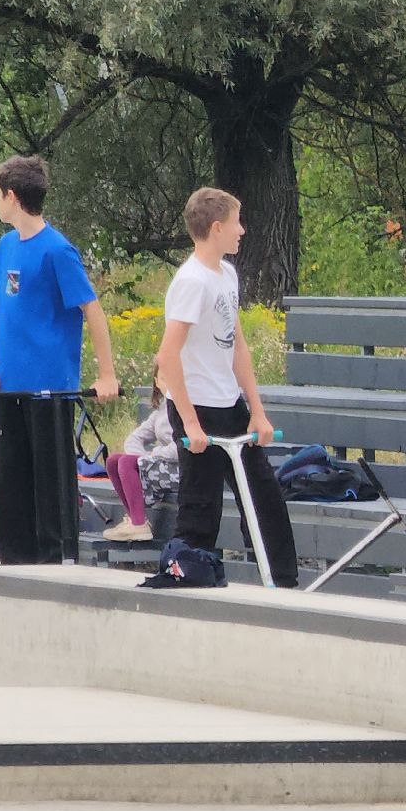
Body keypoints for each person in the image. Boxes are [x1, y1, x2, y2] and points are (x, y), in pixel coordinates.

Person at [0, 154, 120, 565]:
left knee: (49, 484)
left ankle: (56, 561)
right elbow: (1, 313)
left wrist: (106, 373)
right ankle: (15, 560)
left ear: (13, 197)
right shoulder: (5, 247)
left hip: (48, 390)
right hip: (9, 387)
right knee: (9, 483)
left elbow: (92, 310)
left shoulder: (57, 250)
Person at [157, 187, 298, 585]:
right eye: (237, 222)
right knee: (201, 507)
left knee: (264, 496)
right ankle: (187, 575)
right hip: (196, 406)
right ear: (217, 228)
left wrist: (257, 409)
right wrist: (190, 424)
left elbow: (237, 347)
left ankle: (283, 583)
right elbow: (167, 357)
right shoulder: (191, 282)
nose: (243, 230)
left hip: (228, 403)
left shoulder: (227, 275)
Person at [101, 365, 179, 542]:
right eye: (165, 379)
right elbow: (133, 439)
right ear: (157, 383)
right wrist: (143, 457)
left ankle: (138, 524)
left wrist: (153, 455)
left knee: (127, 463)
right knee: (114, 460)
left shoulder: (186, 409)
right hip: (162, 466)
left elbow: (181, 447)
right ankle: (136, 520)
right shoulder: (162, 411)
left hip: (182, 468)